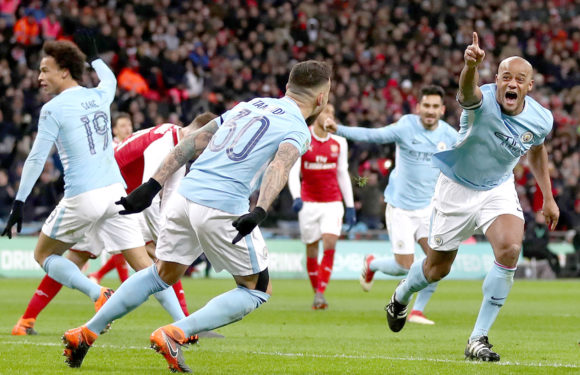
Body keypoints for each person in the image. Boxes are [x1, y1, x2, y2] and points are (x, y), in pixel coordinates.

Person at [61, 60, 331, 372]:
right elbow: (279, 166)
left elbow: (194, 139)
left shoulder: (250, 105)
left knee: (161, 274)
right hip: (223, 205)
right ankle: (175, 334)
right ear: (320, 99)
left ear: (287, 86)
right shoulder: (298, 128)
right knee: (257, 289)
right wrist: (259, 210)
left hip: (185, 196)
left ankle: (86, 332)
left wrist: (151, 185)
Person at [384, 33, 559, 362]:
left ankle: (478, 338)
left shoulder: (541, 118)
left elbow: (536, 150)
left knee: (510, 248)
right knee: (437, 269)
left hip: (497, 187)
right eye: (505, 76)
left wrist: (547, 197)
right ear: (496, 80)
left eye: (520, 79)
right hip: (456, 188)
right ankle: (401, 295)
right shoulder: (482, 101)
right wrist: (469, 66)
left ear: (530, 86)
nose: (512, 83)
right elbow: (467, 90)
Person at [2, 35, 184, 335]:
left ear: (64, 71)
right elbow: (110, 79)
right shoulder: (100, 96)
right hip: (116, 194)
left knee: (44, 256)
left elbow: (35, 159)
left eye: (45, 70)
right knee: (147, 269)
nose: (39, 77)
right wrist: (96, 57)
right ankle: (183, 325)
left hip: (82, 196)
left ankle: (95, 292)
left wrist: (19, 202)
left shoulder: (52, 109)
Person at [10, 113, 217, 336]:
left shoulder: (174, 140)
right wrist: (168, 238)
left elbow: (167, 202)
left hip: (117, 197)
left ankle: (26, 321)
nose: (205, 153)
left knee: (88, 261)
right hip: (106, 193)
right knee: (154, 262)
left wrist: (170, 234)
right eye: (209, 146)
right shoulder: (164, 144)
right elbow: (149, 196)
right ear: (202, 135)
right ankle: (183, 325)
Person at [326, 85, 458, 325]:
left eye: (435, 107)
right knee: (404, 266)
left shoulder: (449, 136)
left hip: (428, 209)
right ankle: (372, 263)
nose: (430, 111)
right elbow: (373, 135)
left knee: (437, 261)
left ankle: (418, 310)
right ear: (418, 107)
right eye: (426, 106)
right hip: (401, 208)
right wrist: (339, 129)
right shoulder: (406, 127)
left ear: (442, 109)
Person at [288, 103, 356, 310]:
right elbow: (293, 171)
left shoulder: (340, 142)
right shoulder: (303, 137)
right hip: (308, 203)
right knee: (311, 248)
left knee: (330, 242)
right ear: (317, 114)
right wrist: (296, 196)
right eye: (327, 112)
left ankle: (320, 293)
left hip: (333, 202)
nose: (330, 116)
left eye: (333, 113)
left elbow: (343, 173)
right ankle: (317, 292)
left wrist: (350, 206)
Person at [88, 113, 134, 285]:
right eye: (122, 125)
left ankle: (98, 275)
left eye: (129, 124)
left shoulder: (134, 144)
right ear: (114, 130)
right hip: (114, 200)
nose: (127, 128)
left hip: (131, 199)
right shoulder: (110, 148)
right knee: (124, 244)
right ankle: (125, 286)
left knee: (125, 245)